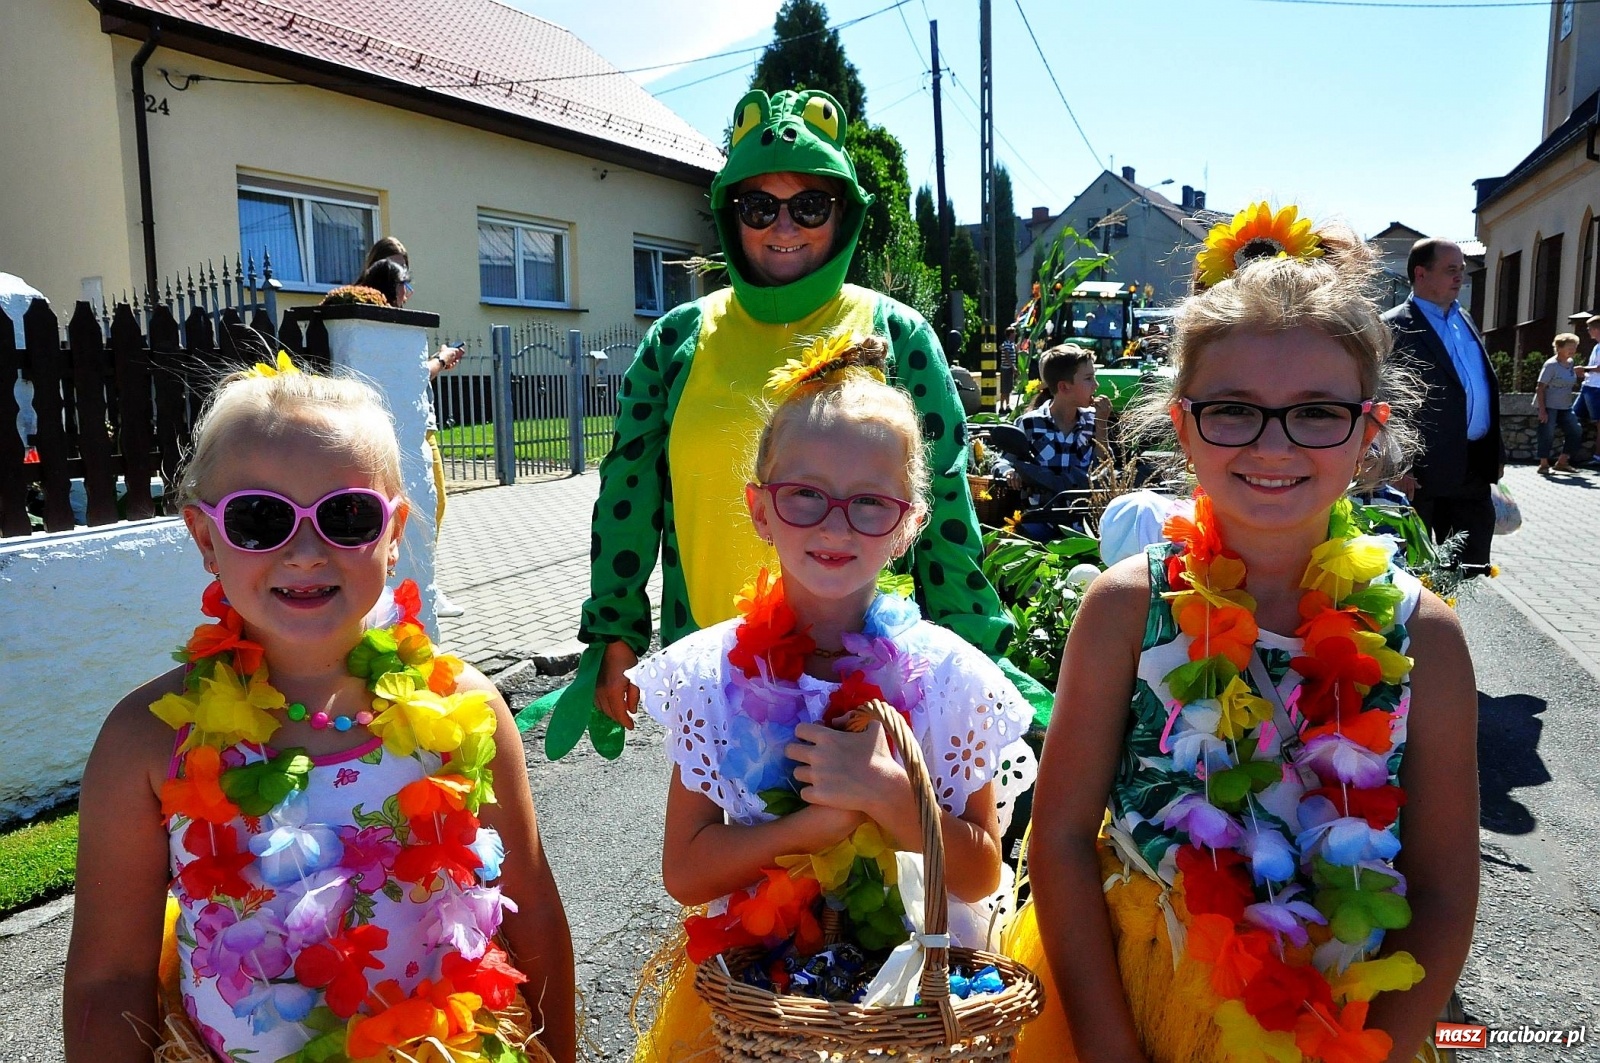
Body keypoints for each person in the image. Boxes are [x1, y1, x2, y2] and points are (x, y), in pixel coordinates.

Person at [1011, 204, 1479, 1063]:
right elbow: (1065, 836)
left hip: (1346, 1019)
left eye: (1316, 412)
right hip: (1143, 1003)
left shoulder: (1427, 639)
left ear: (1369, 431)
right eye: (1233, 409)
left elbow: (1447, 890)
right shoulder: (1125, 609)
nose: (1273, 443)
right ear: (1184, 422)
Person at [63, 362, 575, 1063]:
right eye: (259, 518)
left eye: (346, 515)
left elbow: (534, 914)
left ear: (393, 530)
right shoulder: (148, 739)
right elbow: (108, 978)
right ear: (206, 538)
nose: (305, 551)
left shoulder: (468, 708)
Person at [542, 88, 1046, 756]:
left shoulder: (898, 333)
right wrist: (615, 630)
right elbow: (628, 497)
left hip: (863, 679)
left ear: (843, 213)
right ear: (731, 215)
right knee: (727, 852)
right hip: (719, 672)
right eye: (760, 207)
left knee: (858, 853)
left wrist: (974, 654)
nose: (784, 228)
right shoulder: (678, 338)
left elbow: (945, 507)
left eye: (809, 205)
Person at [628, 333, 1036, 1061]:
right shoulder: (711, 677)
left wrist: (890, 796)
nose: (836, 525)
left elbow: (979, 871)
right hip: (766, 1004)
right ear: (760, 509)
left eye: (870, 503)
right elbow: (686, 872)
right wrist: (806, 830)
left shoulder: (949, 681)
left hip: (919, 1009)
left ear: (909, 522)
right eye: (806, 496)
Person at [350, 254, 467, 617]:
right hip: (412, 432)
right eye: (406, 285)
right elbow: (415, 375)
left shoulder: (376, 326)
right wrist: (444, 359)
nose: (409, 294)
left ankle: (423, 584)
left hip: (410, 427)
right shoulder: (388, 325)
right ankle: (422, 588)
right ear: (393, 286)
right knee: (430, 510)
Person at [1383, 238, 1502, 576]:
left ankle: (1453, 627)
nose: (1459, 278)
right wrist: (1397, 467)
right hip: (1421, 476)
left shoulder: (1464, 320)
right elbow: (1385, 400)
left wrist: (1497, 454)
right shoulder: (1394, 327)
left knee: (1469, 568)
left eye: (1462, 271)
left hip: (1473, 468)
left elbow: (1480, 387)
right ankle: (1422, 628)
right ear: (1421, 273)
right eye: (1451, 270)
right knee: (1415, 573)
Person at [991, 344, 1111, 511]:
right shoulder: (1030, 423)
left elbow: (1104, 470)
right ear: (1064, 387)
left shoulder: (1093, 421)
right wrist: (1009, 472)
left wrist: (1101, 425)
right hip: (1039, 519)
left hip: (1083, 519)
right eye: (1088, 378)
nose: (1096, 385)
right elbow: (1003, 461)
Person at [1536, 332, 1582, 475]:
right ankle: (1543, 464)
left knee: (1575, 431)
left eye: (1574, 347)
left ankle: (1562, 462)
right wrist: (1542, 410)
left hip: (1565, 406)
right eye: (1570, 347)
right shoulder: (1551, 365)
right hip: (1550, 406)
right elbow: (1540, 387)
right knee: (1547, 433)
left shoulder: (1570, 364)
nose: (1573, 350)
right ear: (1559, 348)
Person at [1574, 313, 1600, 464]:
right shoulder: (1596, 346)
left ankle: (1597, 456)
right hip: (1588, 387)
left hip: (1597, 389)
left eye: (1590, 328)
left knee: (1598, 424)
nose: (1588, 331)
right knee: (1573, 417)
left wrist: (1584, 369)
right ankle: (1569, 454)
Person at [999, 325, 1019, 412]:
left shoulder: (1011, 344)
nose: (1015, 334)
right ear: (1010, 334)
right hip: (1006, 368)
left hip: (1009, 369)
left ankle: (1007, 405)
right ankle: (1001, 406)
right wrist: (1013, 367)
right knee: (1004, 389)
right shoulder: (1007, 344)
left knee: (1008, 388)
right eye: (1014, 332)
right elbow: (1007, 356)